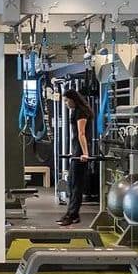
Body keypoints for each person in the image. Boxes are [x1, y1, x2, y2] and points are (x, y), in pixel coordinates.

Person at [57, 89, 93, 226]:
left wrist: (85, 153)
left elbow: (82, 133)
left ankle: (72, 215)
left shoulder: (81, 112)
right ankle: (71, 213)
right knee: (72, 182)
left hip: (80, 150)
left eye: (66, 100)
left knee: (77, 184)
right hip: (76, 150)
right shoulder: (76, 111)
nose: (66, 103)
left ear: (73, 99)